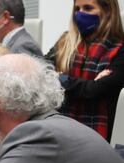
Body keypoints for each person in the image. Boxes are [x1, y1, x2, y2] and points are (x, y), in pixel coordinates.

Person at [46, 0, 124, 141]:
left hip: (100, 140)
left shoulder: (120, 50)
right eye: (77, 9)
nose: (80, 14)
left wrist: (59, 78)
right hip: (58, 131)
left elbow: (95, 91)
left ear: (107, 11)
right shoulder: (65, 42)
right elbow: (41, 70)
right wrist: (85, 85)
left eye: (88, 8)